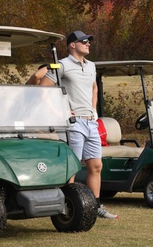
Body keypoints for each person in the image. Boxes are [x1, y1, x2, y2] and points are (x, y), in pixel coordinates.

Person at [38, 30, 117, 220]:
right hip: (72, 124)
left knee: (96, 165)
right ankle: (67, 206)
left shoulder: (91, 66)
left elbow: (93, 87)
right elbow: (42, 89)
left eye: (89, 41)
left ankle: (95, 206)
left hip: (91, 122)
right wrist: (60, 112)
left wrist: (93, 109)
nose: (88, 44)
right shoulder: (62, 65)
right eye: (84, 41)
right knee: (72, 166)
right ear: (72, 45)